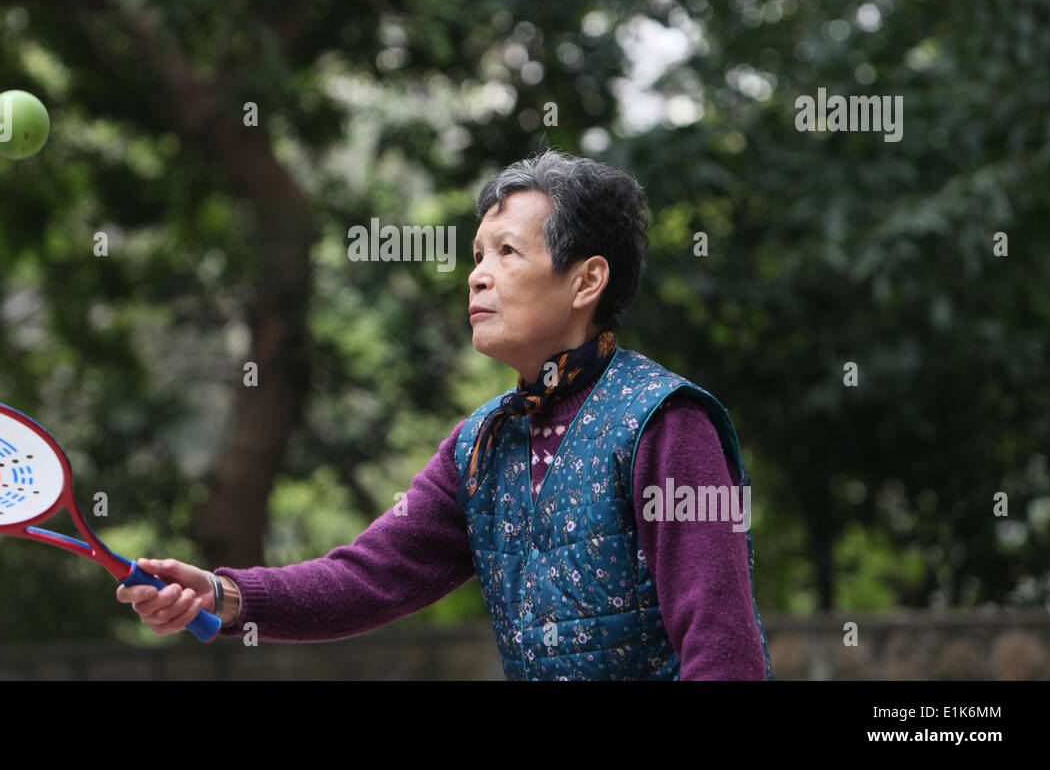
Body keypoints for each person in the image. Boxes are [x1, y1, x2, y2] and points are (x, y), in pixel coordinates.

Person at [116, 149, 774, 680]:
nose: (478, 276)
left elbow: (722, 648)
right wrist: (222, 594)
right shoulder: (479, 447)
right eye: (478, 256)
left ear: (586, 281)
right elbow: (366, 579)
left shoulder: (664, 423)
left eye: (507, 253)